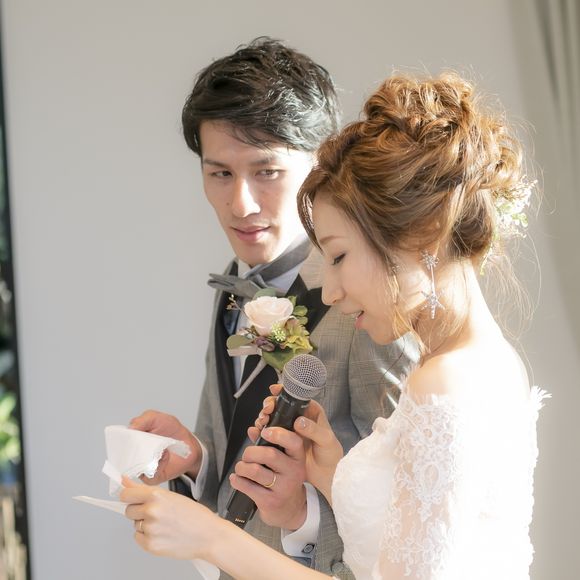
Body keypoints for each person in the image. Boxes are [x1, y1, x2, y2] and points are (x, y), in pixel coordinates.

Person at [122, 71, 547, 579]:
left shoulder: (443, 381)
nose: (329, 291)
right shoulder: (480, 362)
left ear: (423, 235)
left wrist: (213, 538)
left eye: (340, 256)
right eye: (219, 173)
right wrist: (327, 479)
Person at [128, 37, 416, 579]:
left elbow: (406, 513)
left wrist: (301, 520)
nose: (241, 204)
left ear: (321, 164)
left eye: (267, 172)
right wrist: (197, 460)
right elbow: (232, 460)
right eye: (220, 173)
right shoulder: (232, 284)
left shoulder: (369, 303)